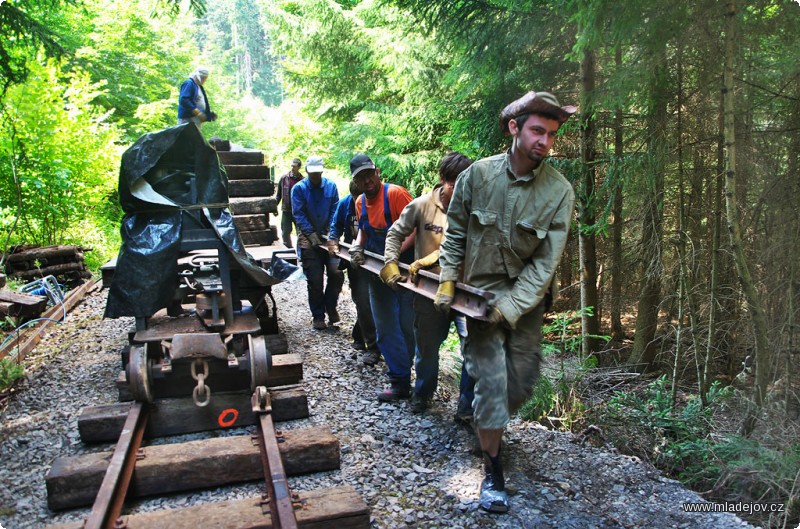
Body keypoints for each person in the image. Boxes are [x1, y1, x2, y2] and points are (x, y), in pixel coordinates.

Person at [435, 91, 577, 513]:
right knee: (492, 386)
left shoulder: (559, 192)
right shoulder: (476, 176)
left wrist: (511, 306)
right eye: (538, 130)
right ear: (514, 128)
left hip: (525, 305)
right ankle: (493, 473)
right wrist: (447, 280)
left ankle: (488, 422)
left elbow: (545, 264)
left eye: (551, 134)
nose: (545, 142)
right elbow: (456, 231)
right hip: (477, 301)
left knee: (520, 383)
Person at [381, 152, 476, 417]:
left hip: (465, 293)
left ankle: (466, 406)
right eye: (455, 183)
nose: (460, 189)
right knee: (427, 348)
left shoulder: (474, 209)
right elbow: (396, 232)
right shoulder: (422, 206)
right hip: (428, 290)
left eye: (466, 183)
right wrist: (391, 261)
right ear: (443, 180)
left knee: (473, 350)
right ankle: (422, 394)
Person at [347, 154, 416, 401]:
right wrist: (357, 247)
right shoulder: (359, 203)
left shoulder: (396, 194)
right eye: (360, 178)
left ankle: (416, 377)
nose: (367, 181)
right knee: (385, 327)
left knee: (408, 325)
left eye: (369, 174)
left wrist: (395, 257)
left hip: (405, 270)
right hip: (378, 271)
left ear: (377, 171)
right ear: (355, 182)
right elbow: (364, 231)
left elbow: (415, 229)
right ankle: (399, 382)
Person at [328, 180, 381, 366]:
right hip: (355, 261)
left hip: (376, 259)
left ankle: (361, 336)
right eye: (355, 198)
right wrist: (333, 241)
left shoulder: (376, 203)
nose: (359, 202)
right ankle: (371, 345)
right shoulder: (344, 204)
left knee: (374, 302)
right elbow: (335, 225)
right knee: (362, 301)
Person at [290, 155, 344, 330]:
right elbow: (298, 213)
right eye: (312, 173)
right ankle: (318, 315)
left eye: (318, 173)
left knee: (336, 273)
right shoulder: (299, 189)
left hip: (328, 235)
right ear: (306, 171)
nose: (315, 176)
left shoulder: (330, 187)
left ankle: (331, 306)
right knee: (315, 279)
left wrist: (330, 231)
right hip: (308, 236)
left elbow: (336, 209)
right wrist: (311, 234)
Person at [276, 158, 305, 248]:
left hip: (299, 211)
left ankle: (300, 253)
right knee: (285, 232)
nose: (292, 168)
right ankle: (289, 250)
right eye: (291, 166)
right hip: (287, 210)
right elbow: (278, 195)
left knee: (300, 233)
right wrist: (274, 207)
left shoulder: (303, 180)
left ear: (299, 167)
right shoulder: (284, 178)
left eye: (295, 166)